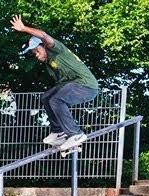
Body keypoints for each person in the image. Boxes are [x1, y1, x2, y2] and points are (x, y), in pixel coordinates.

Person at [10, 14, 99, 151]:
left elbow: (44, 36)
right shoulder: (48, 64)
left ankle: (76, 134)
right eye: (34, 54)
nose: (37, 55)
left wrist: (24, 28)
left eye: (37, 51)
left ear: (43, 46)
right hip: (74, 84)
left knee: (56, 100)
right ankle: (58, 132)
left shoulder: (56, 49)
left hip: (86, 85)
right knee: (47, 97)